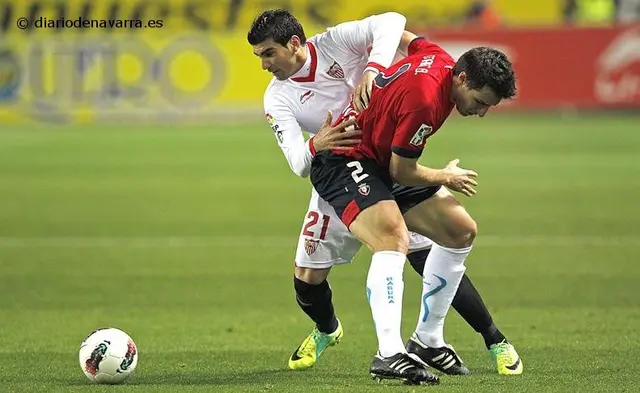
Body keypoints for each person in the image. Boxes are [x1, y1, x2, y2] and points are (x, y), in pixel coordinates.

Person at [247, 9, 522, 378]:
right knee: (311, 277)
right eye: (482, 101)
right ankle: (344, 335)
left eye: (268, 53)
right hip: (342, 163)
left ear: (294, 43)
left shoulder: (335, 43)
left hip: (383, 153)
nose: (264, 64)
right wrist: (318, 143)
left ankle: (430, 340)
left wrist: (375, 68)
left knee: (458, 231)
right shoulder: (279, 97)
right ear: (462, 77)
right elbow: (301, 163)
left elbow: (394, 23)